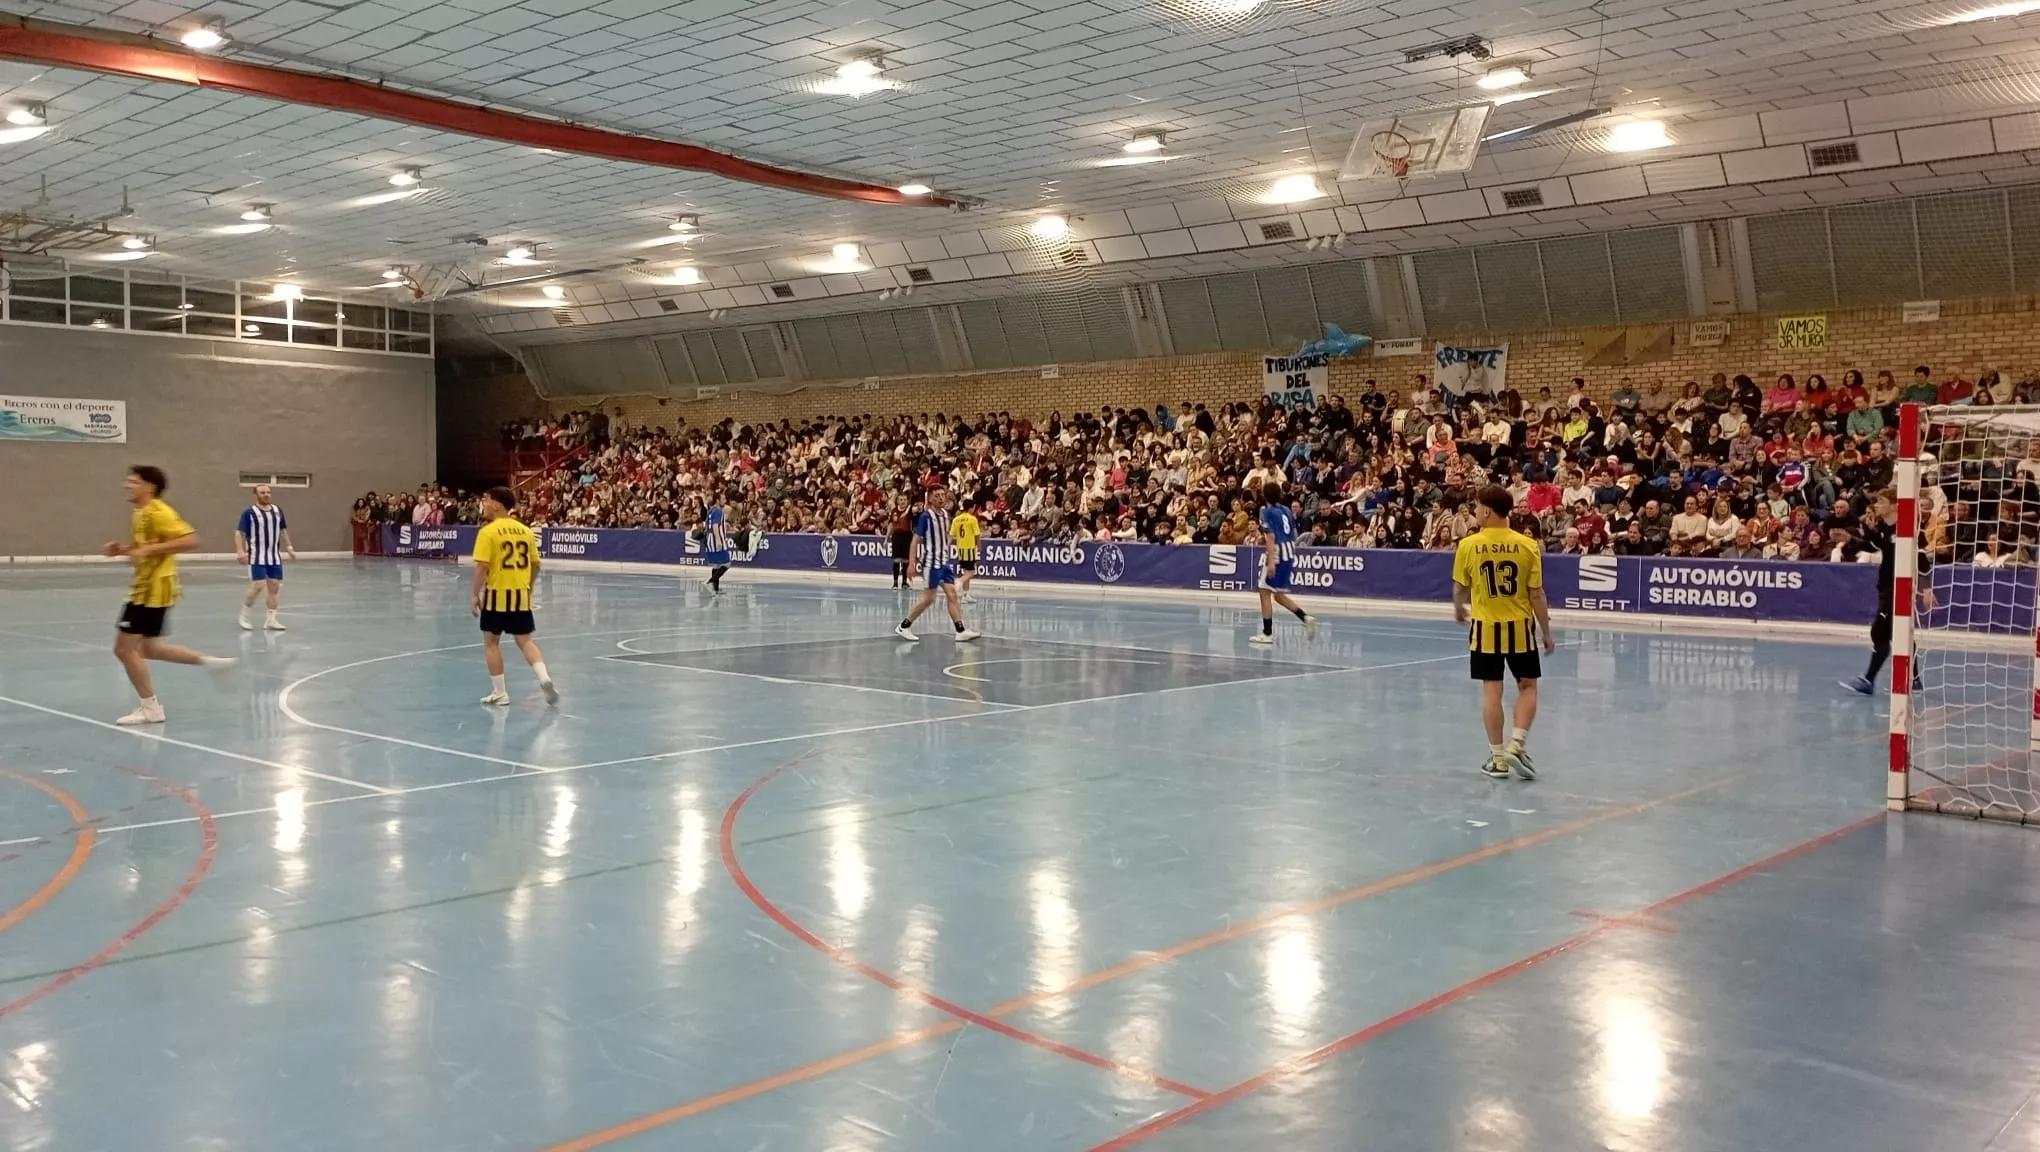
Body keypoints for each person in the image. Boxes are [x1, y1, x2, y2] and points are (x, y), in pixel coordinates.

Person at [106, 466, 235, 725]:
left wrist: (149, 550)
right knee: (148, 648)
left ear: (149, 487)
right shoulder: (140, 513)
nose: (127, 485)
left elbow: (190, 539)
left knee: (123, 649)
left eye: (133, 482)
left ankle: (150, 708)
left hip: (151, 591)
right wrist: (123, 550)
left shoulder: (159, 512)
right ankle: (209, 663)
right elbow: (143, 550)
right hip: (148, 586)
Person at [1452, 485, 1555, 780]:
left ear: (1486, 510)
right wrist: (1546, 631)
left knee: (1491, 689)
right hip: (1520, 629)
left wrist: (1459, 608)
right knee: (1528, 686)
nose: (1475, 512)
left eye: (1476, 507)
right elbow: (1537, 594)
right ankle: (1517, 744)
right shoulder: (1527, 545)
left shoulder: (1469, 545)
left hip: (1485, 629)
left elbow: (1461, 587)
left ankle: (1497, 759)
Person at [1842, 487, 1936, 695]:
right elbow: (1874, 545)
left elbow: (1921, 559)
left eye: (1881, 501)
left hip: (1900, 588)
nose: (1876, 505)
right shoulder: (1884, 526)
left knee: (1880, 632)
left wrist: (1927, 588)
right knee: (1898, 632)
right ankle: (1915, 679)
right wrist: (1851, 540)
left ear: (1895, 505)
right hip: (1886, 586)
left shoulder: (1909, 528)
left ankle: (1869, 680)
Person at [470, 486, 557, 706]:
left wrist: (474, 594)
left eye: (487, 499)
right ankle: (544, 677)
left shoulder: (488, 532)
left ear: (497, 504)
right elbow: (536, 565)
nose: (484, 504)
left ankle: (500, 692)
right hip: (520, 595)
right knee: (525, 640)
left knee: (491, 642)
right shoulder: (525, 531)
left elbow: (482, 567)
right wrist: (527, 585)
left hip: (496, 595)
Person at [895, 488, 980, 642]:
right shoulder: (926, 517)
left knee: (952, 594)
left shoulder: (946, 515)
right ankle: (904, 626)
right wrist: (911, 563)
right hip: (931, 564)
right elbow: (915, 540)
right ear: (930, 499)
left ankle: (960, 630)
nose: (941, 498)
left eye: (943, 495)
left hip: (943, 562)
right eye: (937, 496)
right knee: (929, 599)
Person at [1250, 482, 1319, 645]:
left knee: (1264, 591)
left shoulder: (1267, 512)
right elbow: (1292, 532)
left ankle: (1267, 634)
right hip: (1290, 549)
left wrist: (1272, 560)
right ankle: (1305, 617)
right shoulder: (1287, 509)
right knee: (1278, 595)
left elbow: (1271, 537)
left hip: (1278, 551)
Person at [235, 483, 295, 631]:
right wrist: (240, 551)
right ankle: (244, 615)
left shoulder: (277, 510)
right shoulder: (249, 513)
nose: (266, 495)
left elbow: (283, 530)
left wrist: (289, 547)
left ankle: (271, 620)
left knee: (274, 587)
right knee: (257, 586)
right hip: (256, 556)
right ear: (256, 494)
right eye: (262, 493)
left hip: (274, 556)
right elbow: (239, 533)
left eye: (268, 492)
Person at [953, 497, 982, 603]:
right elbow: (977, 535)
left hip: (960, 549)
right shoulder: (972, 519)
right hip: (969, 549)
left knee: (966, 572)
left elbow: (951, 534)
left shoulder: (956, 519)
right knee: (971, 573)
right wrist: (979, 547)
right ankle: (959, 581)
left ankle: (965, 595)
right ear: (972, 508)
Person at [701, 499, 731, 593]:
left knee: (716, 565)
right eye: (723, 499)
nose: (725, 500)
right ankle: (711, 581)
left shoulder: (710, 511)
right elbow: (715, 526)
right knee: (727, 564)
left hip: (709, 540)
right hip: (716, 539)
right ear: (717, 500)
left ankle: (715, 589)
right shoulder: (718, 511)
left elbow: (706, 526)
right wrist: (718, 540)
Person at [888, 504, 915, 589]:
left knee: (906, 561)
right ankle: (895, 583)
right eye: (901, 500)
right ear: (897, 501)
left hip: (907, 537)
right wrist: (886, 538)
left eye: (904, 500)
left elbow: (915, 512)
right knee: (897, 560)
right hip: (897, 536)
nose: (902, 502)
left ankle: (904, 582)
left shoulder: (909, 511)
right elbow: (891, 525)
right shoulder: (894, 511)